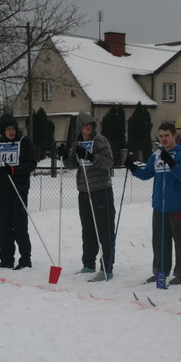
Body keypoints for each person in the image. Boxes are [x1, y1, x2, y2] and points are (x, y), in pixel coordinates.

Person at [124, 122, 181, 286]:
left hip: (178, 207)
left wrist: (172, 163)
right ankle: (160, 271)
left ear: (174, 136)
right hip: (159, 207)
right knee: (160, 242)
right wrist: (133, 168)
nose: (164, 139)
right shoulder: (156, 155)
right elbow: (147, 173)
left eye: (167, 135)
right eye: (161, 136)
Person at [58, 111, 116, 282]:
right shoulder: (77, 143)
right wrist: (63, 156)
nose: (88, 127)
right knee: (88, 229)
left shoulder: (100, 140)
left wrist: (91, 156)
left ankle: (107, 266)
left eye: (90, 124)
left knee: (104, 230)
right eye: (85, 124)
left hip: (101, 190)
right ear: (79, 127)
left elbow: (109, 161)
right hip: (84, 190)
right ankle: (88, 263)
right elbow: (72, 163)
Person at [0, 114, 37, 270]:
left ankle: (25, 258)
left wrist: (14, 169)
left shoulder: (24, 141)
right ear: (2, 131)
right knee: (4, 225)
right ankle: (6, 258)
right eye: (7, 129)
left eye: (13, 129)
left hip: (19, 189)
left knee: (19, 225)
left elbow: (31, 163)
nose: (11, 132)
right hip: (4, 190)